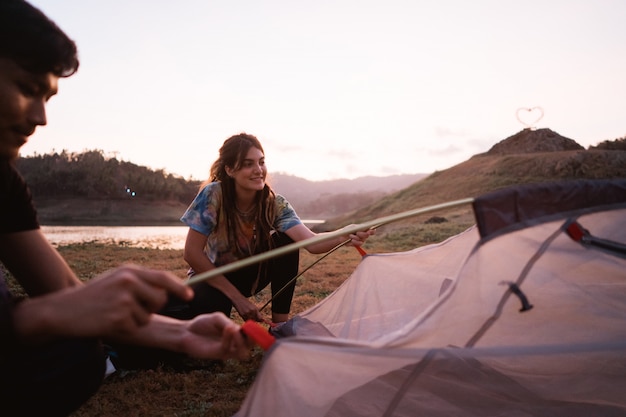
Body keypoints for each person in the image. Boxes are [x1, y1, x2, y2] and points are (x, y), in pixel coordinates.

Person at [0, 1, 250, 415]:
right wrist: (49, 317)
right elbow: (61, 308)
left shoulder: (4, 181)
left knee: (78, 354)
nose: (41, 118)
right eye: (27, 88)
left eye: (47, 98)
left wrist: (182, 333)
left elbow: (64, 294)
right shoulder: (213, 196)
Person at [178, 133, 375, 327]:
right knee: (207, 336)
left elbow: (311, 242)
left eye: (261, 162)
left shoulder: (274, 204)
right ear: (230, 170)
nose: (258, 170)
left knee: (285, 240)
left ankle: (281, 326)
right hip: (212, 278)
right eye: (248, 164)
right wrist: (237, 298)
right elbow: (192, 253)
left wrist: (345, 233)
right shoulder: (214, 194)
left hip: (250, 276)